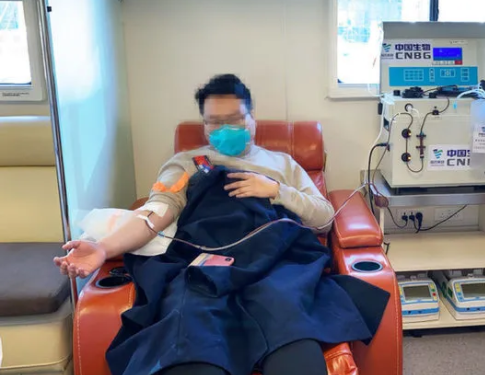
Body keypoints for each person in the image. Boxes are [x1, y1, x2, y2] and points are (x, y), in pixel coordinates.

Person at [53, 74, 339, 375]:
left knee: (285, 314)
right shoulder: (186, 163)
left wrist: (276, 190)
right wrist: (102, 247)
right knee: (189, 322)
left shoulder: (283, 164)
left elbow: (324, 218)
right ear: (204, 125)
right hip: (204, 260)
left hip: (275, 258)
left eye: (235, 119)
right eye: (214, 122)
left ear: (252, 119)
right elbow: (156, 212)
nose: (225, 128)